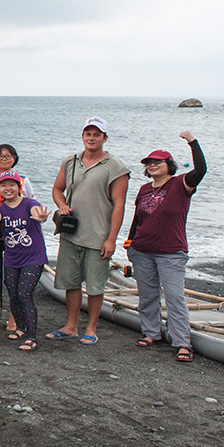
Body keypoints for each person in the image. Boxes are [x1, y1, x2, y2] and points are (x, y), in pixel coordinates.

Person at [48, 117, 131, 345]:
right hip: (71, 234)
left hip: (98, 236)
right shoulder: (70, 161)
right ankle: (71, 326)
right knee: (70, 282)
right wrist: (61, 205)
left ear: (105, 138)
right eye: (88, 133)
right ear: (82, 136)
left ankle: (92, 328)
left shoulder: (116, 167)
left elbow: (119, 205)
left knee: (95, 286)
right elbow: (57, 188)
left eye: (96, 134)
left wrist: (111, 239)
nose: (91, 138)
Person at [126, 131, 206, 363]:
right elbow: (138, 218)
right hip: (142, 250)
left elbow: (201, 170)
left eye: (157, 162)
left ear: (169, 165)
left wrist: (192, 142)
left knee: (174, 297)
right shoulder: (143, 189)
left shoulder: (181, 184)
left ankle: (182, 342)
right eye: (149, 163)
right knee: (148, 296)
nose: (152, 165)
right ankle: (151, 333)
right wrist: (130, 242)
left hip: (171, 252)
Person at [0, 172, 51, 352]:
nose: (8, 188)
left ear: (19, 187)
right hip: (12, 258)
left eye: (12, 185)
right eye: (4, 185)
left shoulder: (29, 203)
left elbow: (36, 211)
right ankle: (21, 328)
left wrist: (42, 217)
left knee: (24, 293)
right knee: (13, 293)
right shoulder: (0, 208)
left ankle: (32, 337)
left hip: (33, 257)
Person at [0, 143, 36, 331]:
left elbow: (30, 204)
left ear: (15, 158)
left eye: (8, 156)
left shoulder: (22, 179)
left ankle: (14, 317)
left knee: (15, 275)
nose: (4, 159)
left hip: (16, 232)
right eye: (0, 156)